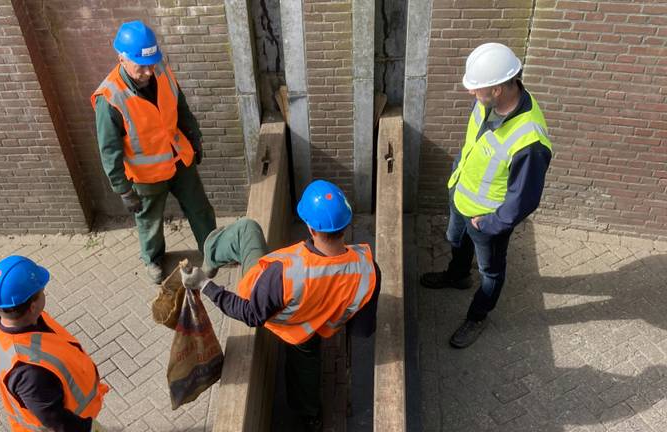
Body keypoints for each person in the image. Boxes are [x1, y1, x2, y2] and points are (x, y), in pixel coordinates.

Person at [180, 180, 381, 432]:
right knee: (305, 362)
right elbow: (363, 329)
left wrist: (206, 286)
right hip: (316, 327)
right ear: (345, 224)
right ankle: (310, 416)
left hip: (286, 322)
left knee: (247, 229)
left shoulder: (283, 273)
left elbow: (251, 314)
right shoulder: (368, 268)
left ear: (311, 228)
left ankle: (210, 258)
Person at [420, 42, 553, 348]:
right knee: (456, 240)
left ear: (497, 89)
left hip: (487, 220)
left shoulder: (530, 139)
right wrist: (455, 180)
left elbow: (524, 198)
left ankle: (478, 316)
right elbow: (473, 146)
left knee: (490, 272)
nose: (471, 92)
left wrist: (491, 224)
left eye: (476, 87)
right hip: (461, 197)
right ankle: (457, 276)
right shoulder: (486, 102)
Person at [92, 20, 216, 284]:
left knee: (200, 209)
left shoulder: (162, 71)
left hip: (178, 159)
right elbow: (109, 150)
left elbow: (181, 108)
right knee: (149, 221)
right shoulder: (110, 98)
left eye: (152, 63)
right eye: (141, 66)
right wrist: (123, 190)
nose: (149, 71)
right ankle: (153, 259)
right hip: (146, 175)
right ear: (122, 58)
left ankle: (213, 251)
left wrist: (194, 138)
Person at [0, 256, 108, 432]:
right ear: (32, 306)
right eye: (42, 291)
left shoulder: (1, 317)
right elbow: (56, 420)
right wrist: (88, 428)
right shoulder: (30, 373)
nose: (44, 293)